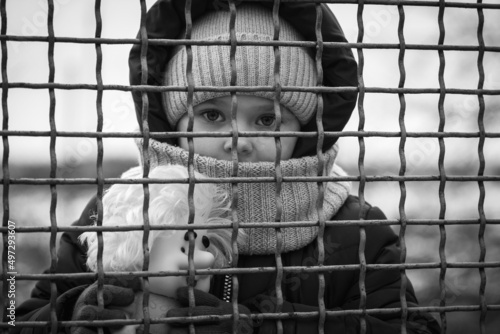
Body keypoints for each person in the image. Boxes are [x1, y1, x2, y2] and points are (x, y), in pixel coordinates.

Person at [16, 1, 441, 333]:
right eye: (213, 115)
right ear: (174, 121)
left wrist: (257, 325)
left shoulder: (354, 229)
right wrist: (76, 315)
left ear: (304, 131)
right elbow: (21, 320)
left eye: (267, 119)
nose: (237, 141)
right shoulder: (120, 209)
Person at [76, 165, 242, 334]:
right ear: (138, 252)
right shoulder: (122, 304)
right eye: (185, 249)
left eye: (204, 245)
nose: (208, 259)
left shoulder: (209, 313)